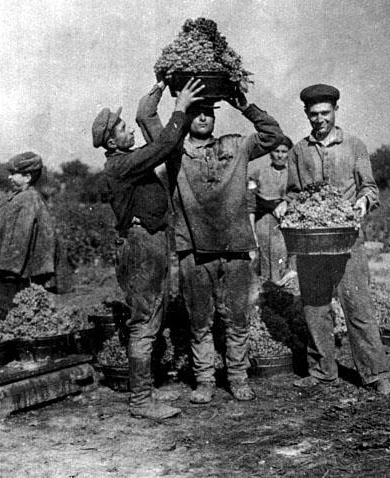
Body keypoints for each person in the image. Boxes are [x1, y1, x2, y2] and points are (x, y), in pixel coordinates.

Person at [137, 83, 283, 403]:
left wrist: (245, 106)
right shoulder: (174, 150)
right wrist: (165, 88)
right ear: (187, 117)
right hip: (194, 249)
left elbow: (273, 135)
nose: (203, 117)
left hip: (235, 247)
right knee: (199, 318)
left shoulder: (236, 146)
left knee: (238, 316)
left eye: (209, 112)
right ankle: (204, 379)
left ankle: (237, 376)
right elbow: (145, 116)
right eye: (196, 112)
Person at [93, 78, 204, 420]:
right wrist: (180, 108)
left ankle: (145, 395)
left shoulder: (124, 161)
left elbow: (163, 146)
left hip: (148, 243)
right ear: (111, 141)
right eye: (125, 129)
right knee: (145, 320)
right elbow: (165, 145)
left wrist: (158, 89)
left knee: (151, 316)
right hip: (142, 248)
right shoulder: (121, 165)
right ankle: (141, 401)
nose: (130, 132)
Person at [280, 84, 390, 395]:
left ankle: (375, 374)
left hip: (346, 240)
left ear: (335, 111)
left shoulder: (354, 146)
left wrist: (362, 203)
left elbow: (369, 188)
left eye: (325, 113)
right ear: (306, 114)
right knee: (315, 307)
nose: (320, 119)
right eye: (314, 114)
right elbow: (292, 194)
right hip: (310, 242)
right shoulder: (298, 151)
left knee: (358, 305)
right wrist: (285, 206)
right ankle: (322, 372)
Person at [0, 152, 58, 318]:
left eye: (13, 174)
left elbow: (13, 234)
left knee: (9, 318)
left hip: (13, 276)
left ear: (27, 177)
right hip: (7, 273)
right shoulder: (17, 196)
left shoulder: (29, 199)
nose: (9, 177)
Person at [247, 135, 297, 285]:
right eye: (276, 151)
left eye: (284, 151)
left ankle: (284, 296)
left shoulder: (294, 175)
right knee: (264, 261)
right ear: (270, 152)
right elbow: (250, 203)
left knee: (285, 261)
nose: (280, 155)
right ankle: (266, 297)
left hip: (286, 224)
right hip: (263, 223)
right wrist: (251, 233)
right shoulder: (258, 173)